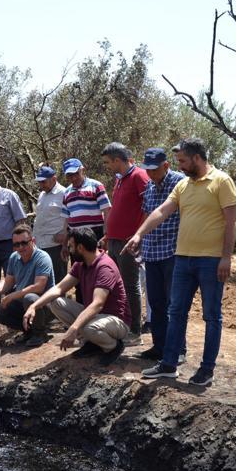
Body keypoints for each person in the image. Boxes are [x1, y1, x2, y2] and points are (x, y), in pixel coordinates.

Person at [123, 138, 236, 386]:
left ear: (197, 157)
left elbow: (232, 222)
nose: (181, 166)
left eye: (184, 161)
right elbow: (161, 211)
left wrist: (226, 257)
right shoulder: (184, 186)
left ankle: (207, 369)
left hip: (210, 261)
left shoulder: (222, 181)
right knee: (175, 312)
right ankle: (169, 364)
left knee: (211, 316)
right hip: (183, 259)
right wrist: (139, 234)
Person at [24, 227, 130, 366]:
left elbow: (97, 304)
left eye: (71, 246)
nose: (69, 249)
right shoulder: (81, 264)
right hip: (96, 317)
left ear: (80, 248)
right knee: (55, 302)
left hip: (117, 322)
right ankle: (92, 343)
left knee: (88, 328)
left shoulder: (105, 267)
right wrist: (34, 306)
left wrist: (73, 329)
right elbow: (59, 288)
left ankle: (112, 347)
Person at [135, 147, 186, 362]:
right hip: (151, 252)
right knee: (156, 302)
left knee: (174, 304)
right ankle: (159, 346)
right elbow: (148, 214)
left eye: (154, 170)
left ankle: (178, 349)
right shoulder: (148, 186)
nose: (150, 174)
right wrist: (140, 238)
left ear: (166, 165)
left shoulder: (181, 183)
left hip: (173, 252)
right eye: (147, 169)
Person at [100, 142, 150, 341]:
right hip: (114, 241)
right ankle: (121, 323)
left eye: (108, 162)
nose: (107, 166)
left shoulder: (139, 175)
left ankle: (135, 330)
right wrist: (108, 234)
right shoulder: (120, 179)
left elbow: (151, 205)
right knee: (117, 284)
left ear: (117, 160)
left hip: (128, 242)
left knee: (130, 285)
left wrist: (139, 233)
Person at [0, 225, 55, 347]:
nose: (20, 247)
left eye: (24, 243)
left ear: (33, 241)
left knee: (30, 298)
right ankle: (28, 331)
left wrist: (12, 296)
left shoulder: (43, 257)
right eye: (16, 244)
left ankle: (39, 333)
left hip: (44, 305)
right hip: (23, 304)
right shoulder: (14, 257)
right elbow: (8, 282)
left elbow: (39, 287)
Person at [60, 158, 111, 303]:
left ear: (82, 170)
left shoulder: (96, 186)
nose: (73, 178)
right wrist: (65, 244)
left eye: (76, 173)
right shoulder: (67, 192)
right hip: (75, 238)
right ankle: (80, 311)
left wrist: (107, 235)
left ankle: (100, 310)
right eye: (70, 175)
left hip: (95, 236)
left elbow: (107, 211)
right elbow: (66, 220)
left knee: (98, 272)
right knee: (79, 275)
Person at [33, 164, 68, 282]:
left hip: (55, 245)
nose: (41, 185)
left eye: (44, 182)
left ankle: (60, 300)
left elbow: (70, 216)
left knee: (58, 279)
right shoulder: (42, 195)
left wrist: (65, 236)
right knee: (42, 278)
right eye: (39, 182)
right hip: (40, 244)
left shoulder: (64, 192)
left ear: (54, 179)